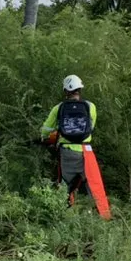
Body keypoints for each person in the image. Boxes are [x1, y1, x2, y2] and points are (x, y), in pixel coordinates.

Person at [40, 75, 110, 216]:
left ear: (65, 90)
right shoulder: (90, 107)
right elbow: (91, 127)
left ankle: (64, 215)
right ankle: (102, 216)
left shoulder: (58, 108)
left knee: (67, 186)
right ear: (80, 89)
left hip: (67, 151)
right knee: (94, 185)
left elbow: (45, 130)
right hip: (86, 150)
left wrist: (49, 137)